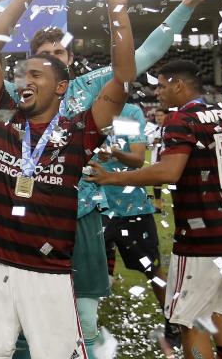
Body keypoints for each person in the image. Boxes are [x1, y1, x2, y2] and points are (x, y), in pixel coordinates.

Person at [0, 0, 136, 358]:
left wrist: (117, 8)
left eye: (36, 75)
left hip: (48, 269)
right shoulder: (1, 118)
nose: (25, 80)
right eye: (23, 73)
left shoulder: (78, 132)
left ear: (61, 88)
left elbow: (123, 77)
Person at [86, 60, 222, 359]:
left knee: (190, 323)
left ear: (179, 84)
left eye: (162, 85)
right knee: (221, 316)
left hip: (202, 238)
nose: (158, 92)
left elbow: (169, 172)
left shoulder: (180, 118)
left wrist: (112, 176)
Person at [91, 104, 169, 317]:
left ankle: (174, 323)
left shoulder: (127, 113)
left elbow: (136, 159)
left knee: (153, 269)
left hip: (131, 206)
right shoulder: (80, 106)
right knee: (77, 270)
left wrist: (115, 152)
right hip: (91, 205)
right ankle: (82, 327)